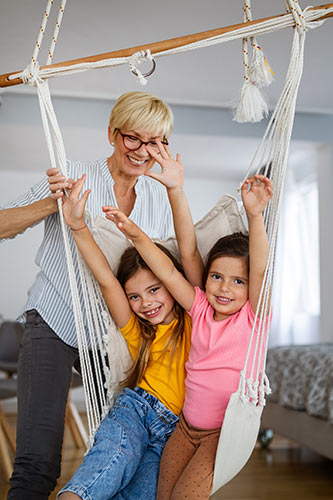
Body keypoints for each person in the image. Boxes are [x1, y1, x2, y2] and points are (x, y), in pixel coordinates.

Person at [0, 91, 176, 500]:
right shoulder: (73, 174)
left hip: (111, 335)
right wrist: (52, 203)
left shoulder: (157, 197)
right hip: (53, 321)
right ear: (113, 134)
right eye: (134, 138)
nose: (142, 151)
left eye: (154, 142)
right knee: (37, 463)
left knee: (118, 453)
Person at [104, 141, 273, 500]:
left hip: (220, 437)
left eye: (237, 281)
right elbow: (169, 267)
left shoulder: (252, 319)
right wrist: (135, 235)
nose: (224, 288)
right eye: (217, 277)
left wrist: (254, 216)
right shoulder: (198, 308)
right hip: (183, 429)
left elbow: (259, 268)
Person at [56, 169, 192, 499]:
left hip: (173, 434)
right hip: (136, 409)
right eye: (135, 296)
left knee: (140, 493)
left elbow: (187, 254)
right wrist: (77, 226)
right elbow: (105, 279)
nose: (145, 303)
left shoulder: (193, 318)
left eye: (155, 289)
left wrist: (175, 190)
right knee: (111, 461)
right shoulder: (137, 331)